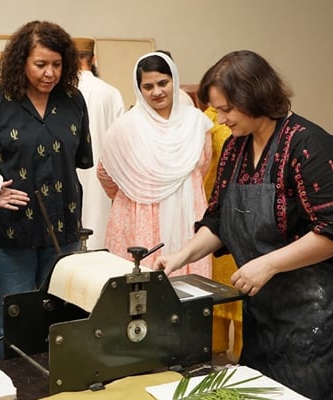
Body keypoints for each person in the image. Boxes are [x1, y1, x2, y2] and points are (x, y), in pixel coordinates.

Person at [154, 50, 333, 399]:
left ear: (255, 96)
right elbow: (218, 219)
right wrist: (180, 255)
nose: (220, 119)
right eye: (217, 109)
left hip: (317, 314)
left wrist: (267, 264)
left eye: (227, 109)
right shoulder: (235, 148)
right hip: (264, 311)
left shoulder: (311, 146)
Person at [0, 20, 92, 357]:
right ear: (21, 61)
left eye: (56, 64)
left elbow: (80, 159)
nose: (49, 73)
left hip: (62, 233)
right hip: (9, 236)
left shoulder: (73, 101)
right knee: (16, 327)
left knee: (63, 323)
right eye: (40, 64)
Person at [97, 52, 212, 276]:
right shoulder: (126, 127)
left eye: (163, 83)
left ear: (174, 80)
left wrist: (173, 183)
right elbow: (105, 172)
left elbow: (202, 166)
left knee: (188, 294)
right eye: (148, 86)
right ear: (139, 89)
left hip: (188, 213)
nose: (157, 92)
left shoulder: (196, 122)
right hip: (139, 217)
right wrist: (135, 190)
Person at [72, 37, 125, 249]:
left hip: (70, 174)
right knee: (99, 238)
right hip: (101, 178)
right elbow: (122, 141)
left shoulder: (60, 91)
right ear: (94, 59)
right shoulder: (111, 93)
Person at [201, 105, 243, 361]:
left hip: (250, 218)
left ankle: (244, 356)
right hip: (217, 211)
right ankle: (214, 348)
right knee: (217, 284)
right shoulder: (206, 120)